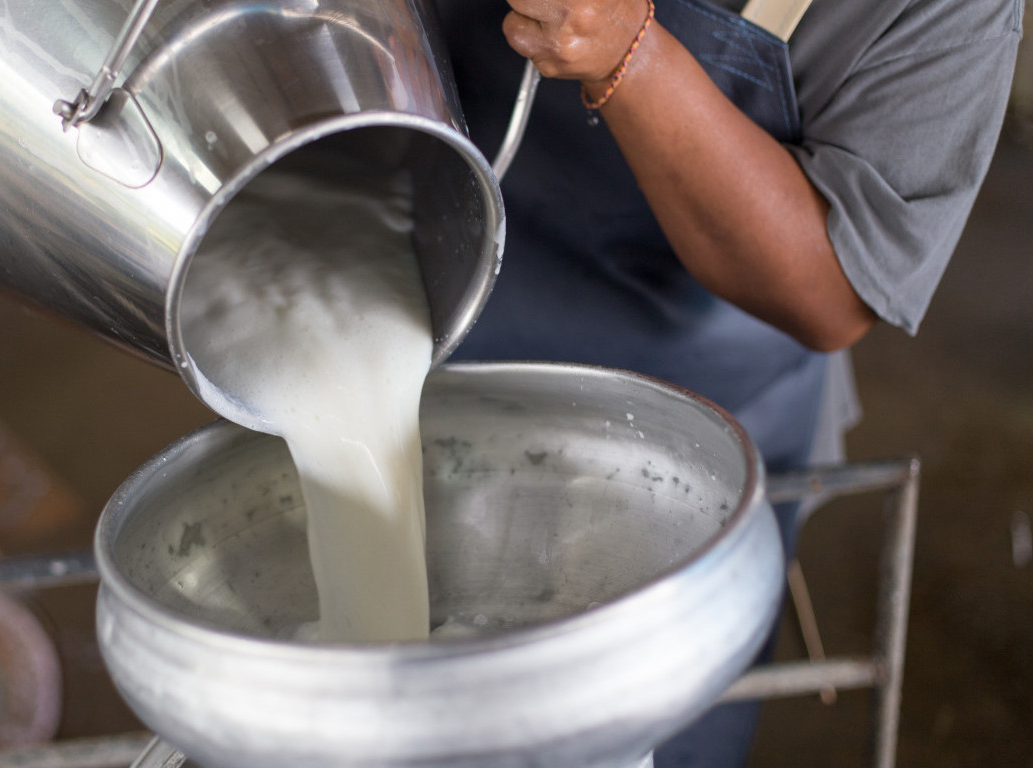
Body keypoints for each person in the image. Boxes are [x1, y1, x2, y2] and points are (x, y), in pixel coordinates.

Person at [434, 0, 1022, 764]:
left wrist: (631, 56)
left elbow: (834, 287)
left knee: (641, 725)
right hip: (428, 295)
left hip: (688, 423)